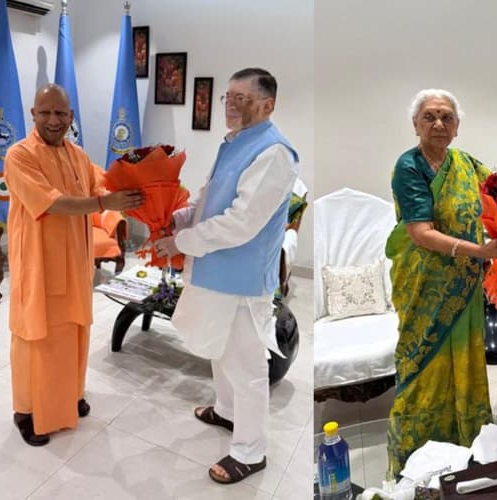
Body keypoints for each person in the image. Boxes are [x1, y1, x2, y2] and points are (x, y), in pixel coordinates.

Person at [154, 68, 298, 484]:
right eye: (228, 97)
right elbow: (210, 199)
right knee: (221, 349)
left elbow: (241, 222)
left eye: (242, 98)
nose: (231, 105)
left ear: (267, 105)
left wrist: (181, 243)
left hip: (243, 279)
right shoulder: (235, 142)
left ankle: (251, 452)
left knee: (246, 364)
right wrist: (180, 217)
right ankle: (227, 411)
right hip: (218, 271)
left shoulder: (274, 153)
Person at [384, 89, 497, 476]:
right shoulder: (408, 166)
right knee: (421, 362)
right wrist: (482, 251)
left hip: (464, 283)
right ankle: (416, 451)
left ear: (457, 127)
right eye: (429, 116)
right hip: (423, 282)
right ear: (415, 125)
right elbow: (420, 232)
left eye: (447, 117)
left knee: (465, 358)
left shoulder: (465, 164)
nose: (438, 124)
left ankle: (465, 437)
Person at [4, 83, 144, 446]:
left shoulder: (78, 155)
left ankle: (69, 394)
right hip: (38, 262)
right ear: (33, 114)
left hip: (76, 262)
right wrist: (105, 204)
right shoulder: (19, 156)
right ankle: (27, 411)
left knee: (74, 330)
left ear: (70, 116)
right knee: (36, 335)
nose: (54, 120)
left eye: (60, 113)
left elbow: (102, 186)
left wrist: (141, 190)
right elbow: (52, 204)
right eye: (45, 112)